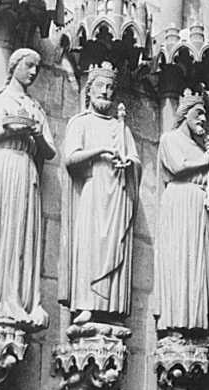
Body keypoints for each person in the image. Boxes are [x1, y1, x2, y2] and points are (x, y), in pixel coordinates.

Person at [0, 48, 55, 330]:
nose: (33, 72)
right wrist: (8, 131)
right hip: (1, 165)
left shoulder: (36, 108)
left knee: (21, 233)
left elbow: (50, 152)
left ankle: (18, 298)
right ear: (14, 66)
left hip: (26, 168)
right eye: (29, 65)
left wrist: (37, 135)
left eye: (37, 68)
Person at [59, 62, 141, 324]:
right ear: (89, 90)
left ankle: (111, 308)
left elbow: (135, 160)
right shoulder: (81, 123)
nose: (105, 91)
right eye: (100, 86)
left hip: (117, 194)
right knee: (89, 247)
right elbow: (71, 159)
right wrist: (100, 151)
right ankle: (86, 304)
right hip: (93, 192)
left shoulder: (121, 128)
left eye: (110, 87)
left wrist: (129, 164)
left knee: (115, 247)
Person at [154, 89, 209, 333]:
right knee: (179, 260)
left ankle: (195, 322)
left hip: (197, 208)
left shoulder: (198, 149)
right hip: (179, 203)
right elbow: (177, 167)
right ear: (185, 113)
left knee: (196, 265)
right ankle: (176, 321)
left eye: (205, 114)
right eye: (198, 113)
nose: (203, 119)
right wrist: (205, 159)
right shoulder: (169, 139)